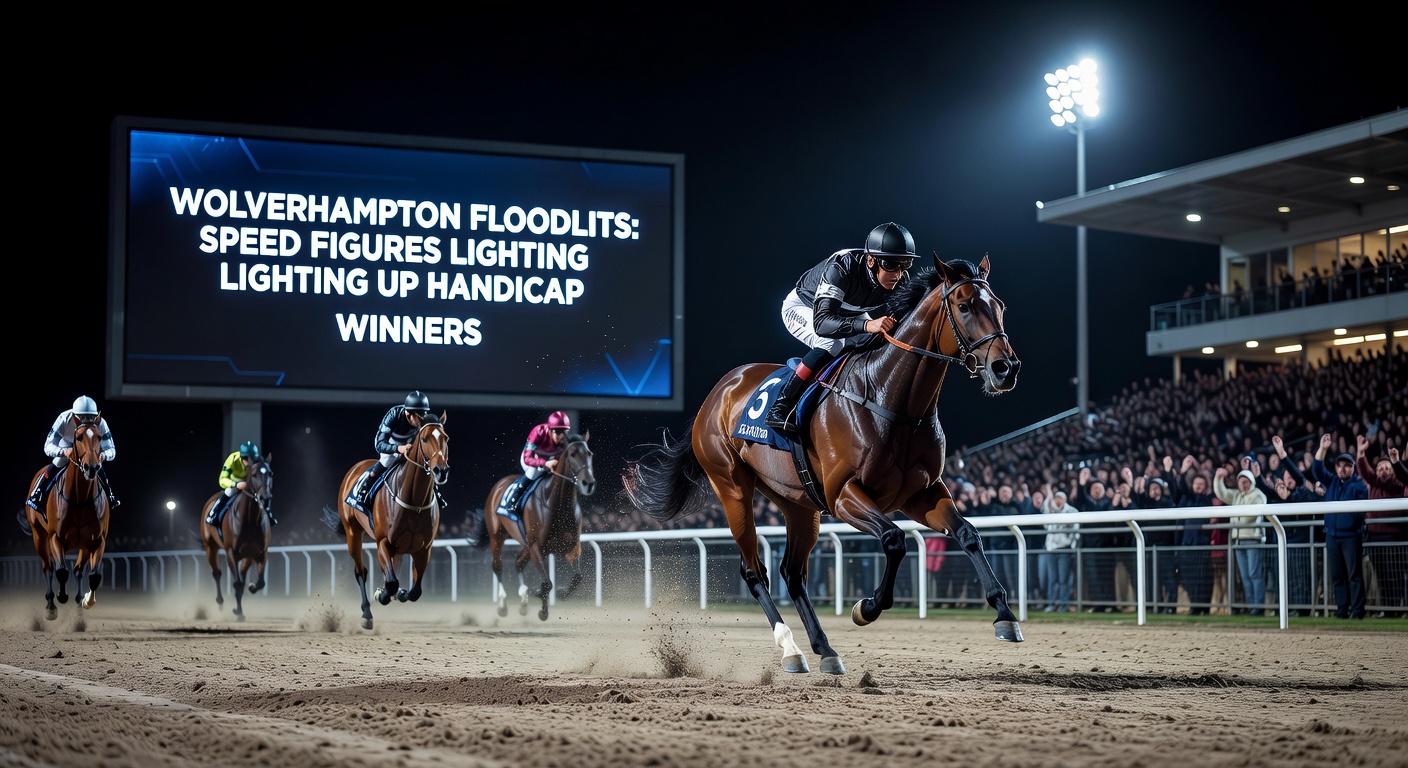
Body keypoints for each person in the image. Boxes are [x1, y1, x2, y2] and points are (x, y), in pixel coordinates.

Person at [764, 222, 915, 434]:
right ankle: (781, 406)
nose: (898, 274)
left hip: (848, 312)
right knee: (831, 342)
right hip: (805, 308)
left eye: (904, 264)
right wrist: (867, 324)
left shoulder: (899, 278)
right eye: (891, 265)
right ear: (871, 260)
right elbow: (822, 323)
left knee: (877, 340)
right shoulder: (842, 267)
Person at [345, 390, 442, 514]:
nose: (421, 420)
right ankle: (364, 491)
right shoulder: (393, 415)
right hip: (391, 447)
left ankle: (436, 494)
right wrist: (398, 449)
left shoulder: (422, 419)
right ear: (408, 414)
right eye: (418, 416)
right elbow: (379, 444)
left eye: (423, 415)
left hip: (411, 449)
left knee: (424, 467)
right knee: (387, 461)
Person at [1311, 433, 1369, 619]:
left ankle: (1358, 611)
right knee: (1337, 576)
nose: (1342, 469)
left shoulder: (1359, 485)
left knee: (1354, 575)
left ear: (1352, 468)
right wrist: (1323, 448)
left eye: (1346, 466)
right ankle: (1342, 609)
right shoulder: (1333, 481)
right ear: (1335, 468)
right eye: (1339, 465)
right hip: (1332, 536)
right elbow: (1317, 469)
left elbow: (1359, 514)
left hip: (1351, 536)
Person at [26, 395, 119, 512]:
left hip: (87, 451)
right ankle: (38, 492)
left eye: (90, 418)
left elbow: (111, 449)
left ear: (95, 416)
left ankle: (110, 494)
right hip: (67, 449)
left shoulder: (100, 422)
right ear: (74, 416)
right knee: (58, 462)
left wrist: (104, 455)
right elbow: (48, 446)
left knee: (96, 465)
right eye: (81, 418)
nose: (86, 421)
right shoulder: (63, 418)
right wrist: (63, 451)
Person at [1356, 435, 1406, 614]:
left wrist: (1395, 463)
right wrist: (1361, 455)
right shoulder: (1374, 483)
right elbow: (1366, 472)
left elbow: (1391, 480)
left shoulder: (1397, 484)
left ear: (1392, 470)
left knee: (1394, 574)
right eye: (1380, 468)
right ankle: (1387, 608)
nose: (1383, 471)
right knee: (1381, 576)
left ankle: (1397, 609)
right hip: (1374, 536)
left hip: (1393, 536)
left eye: (1387, 468)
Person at [1213, 465, 1268, 615]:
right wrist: (1218, 479)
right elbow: (1221, 493)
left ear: (1251, 482)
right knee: (1245, 576)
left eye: (1246, 481)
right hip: (1238, 540)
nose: (1243, 484)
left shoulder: (1258, 495)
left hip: (1253, 539)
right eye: (1241, 481)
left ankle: (1258, 607)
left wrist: (1235, 521)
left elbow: (1251, 516)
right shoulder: (1237, 496)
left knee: (1254, 574)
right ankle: (1252, 607)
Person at [499, 410, 572, 517]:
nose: (561, 436)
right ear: (550, 430)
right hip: (531, 460)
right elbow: (527, 458)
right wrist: (544, 463)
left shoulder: (565, 442)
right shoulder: (538, 432)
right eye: (557, 432)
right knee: (534, 472)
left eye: (564, 432)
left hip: (549, 461)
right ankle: (513, 501)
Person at [206, 441, 275, 526]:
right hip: (234, 483)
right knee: (229, 492)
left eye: (252, 459)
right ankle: (213, 513)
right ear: (242, 457)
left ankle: (268, 513)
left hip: (249, 484)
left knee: (264, 492)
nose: (250, 462)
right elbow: (222, 479)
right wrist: (236, 484)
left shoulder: (258, 461)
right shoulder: (232, 459)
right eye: (247, 459)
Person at [1041, 487, 1079, 613]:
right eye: (1056, 498)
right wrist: (1049, 496)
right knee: (1052, 579)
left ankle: (1063, 604)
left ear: (1065, 500)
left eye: (1060, 499)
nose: (1058, 501)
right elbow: (1045, 523)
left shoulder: (1072, 511)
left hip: (1065, 549)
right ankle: (1051, 604)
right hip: (1051, 549)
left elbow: (1075, 531)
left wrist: (1073, 547)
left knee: (1063, 579)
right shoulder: (1051, 511)